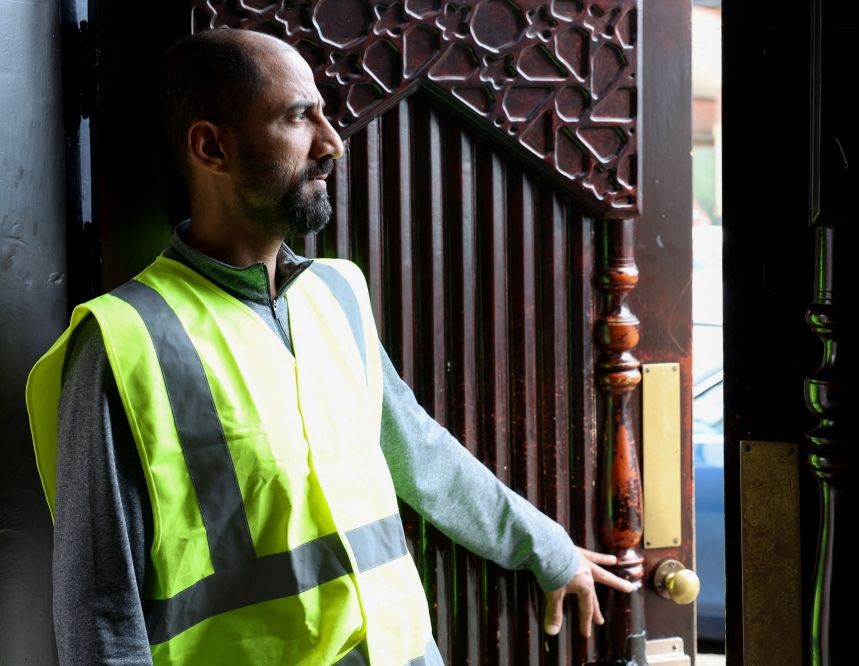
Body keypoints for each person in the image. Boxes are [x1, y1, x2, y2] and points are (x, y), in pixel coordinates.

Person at [25, 28, 632, 665]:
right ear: (211, 148)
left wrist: (548, 548)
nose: (332, 142)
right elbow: (100, 609)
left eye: (323, 113)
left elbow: (418, 452)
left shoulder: (337, 293)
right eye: (297, 117)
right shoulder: (121, 341)